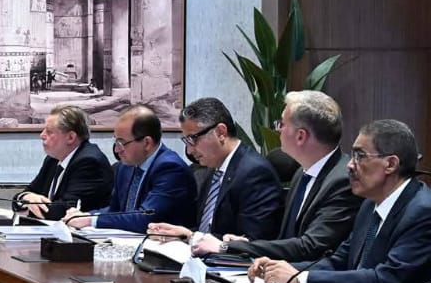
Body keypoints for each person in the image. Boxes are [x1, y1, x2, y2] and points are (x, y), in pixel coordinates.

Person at [251, 120, 431, 283]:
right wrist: (281, 269)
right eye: (352, 156)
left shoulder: (422, 212)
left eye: (360, 156)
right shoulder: (369, 205)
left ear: (391, 164)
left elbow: (386, 280)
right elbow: (339, 261)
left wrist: (301, 279)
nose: (350, 165)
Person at [199, 91, 361, 259]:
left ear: (300, 136)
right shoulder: (301, 173)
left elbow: (310, 246)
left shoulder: (342, 181)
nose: (277, 130)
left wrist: (227, 247)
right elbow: (286, 240)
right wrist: (245, 245)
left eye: (281, 124)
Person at [146, 97, 283, 246]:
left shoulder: (255, 172)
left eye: (193, 139)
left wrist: (192, 237)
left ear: (220, 132)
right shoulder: (211, 168)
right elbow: (207, 230)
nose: (189, 151)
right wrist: (181, 235)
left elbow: (253, 242)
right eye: (186, 141)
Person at [64, 104, 197, 232]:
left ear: (147, 143)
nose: (117, 150)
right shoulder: (125, 166)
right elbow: (116, 211)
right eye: (116, 141)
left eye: (122, 142)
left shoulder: (170, 168)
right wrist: (86, 215)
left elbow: (145, 218)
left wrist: (91, 220)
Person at [17, 104, 112, 219]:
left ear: (70, 137)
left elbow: (63, 210)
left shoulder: (89, 162)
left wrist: (26, 206)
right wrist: (26, 197)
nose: (42, 135)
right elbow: (27, 193)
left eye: (49, 132)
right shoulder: (53, 159)